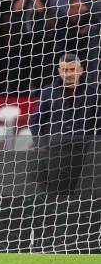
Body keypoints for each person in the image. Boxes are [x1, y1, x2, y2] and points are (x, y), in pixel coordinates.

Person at [29, 54, 101, 194]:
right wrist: (40, 143)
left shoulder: (93, 94)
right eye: (64, 70)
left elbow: (98, 124)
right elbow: (35, 121)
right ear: (59, 71)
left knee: (80, 195)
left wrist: (94, 150)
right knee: (56, 193)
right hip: (55, 152)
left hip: (83, 154)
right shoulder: (48, 92)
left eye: (72, 69)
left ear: (81, 70)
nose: (68, 74)